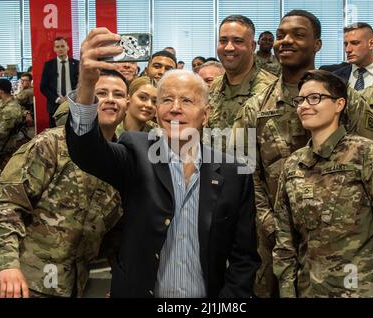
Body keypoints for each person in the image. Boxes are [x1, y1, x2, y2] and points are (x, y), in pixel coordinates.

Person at [65, 27, 260, 298]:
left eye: (187, 100)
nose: (175, 108)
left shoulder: (233, 172)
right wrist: (86, 85)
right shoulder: (136, 151)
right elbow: (86, 151)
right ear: (157, 112)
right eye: (166, 99)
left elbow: (244, 258)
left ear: (206, 114)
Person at [232, 9, 373, 298]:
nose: (285, 41)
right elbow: (245, 171)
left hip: (341, 244)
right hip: (273, 241)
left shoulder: (348, 101)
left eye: (298, 35)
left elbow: (372, 163)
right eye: (280, 35)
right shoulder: (255, 107)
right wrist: (269, 222)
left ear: (317, 44)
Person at [0, 69, 127, 298]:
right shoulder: (52, 145)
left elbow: (114, 234)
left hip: (75, 285)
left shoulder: (122, 162)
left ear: (126, 102)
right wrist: (8, 264)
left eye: (118, 94)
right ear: (86, 99)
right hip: (25, 282)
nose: (110, 100)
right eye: (101, 93)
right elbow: (5, 206)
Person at [273, 69, 373, 298]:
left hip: (360, 289)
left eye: (314, 98)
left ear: (339, 104)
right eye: (300, 100)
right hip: (308, 289)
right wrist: (288, 290)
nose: (304, 106)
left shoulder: (366, 154)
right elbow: (284, 238)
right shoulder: (294, 164)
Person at [209, 15, 277, 132]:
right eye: (223, 41)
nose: (229, 47)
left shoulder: (271, 90)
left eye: (238, 41)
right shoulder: (215, 85)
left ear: (252, 46)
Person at [40, 36, 79, 128]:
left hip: (74, 104)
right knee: (55, 134)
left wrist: (72, 96)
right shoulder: (49, 65)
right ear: (54, 49)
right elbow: (43, 86)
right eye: (57, 47)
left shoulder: (77, 64)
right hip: (54, 106)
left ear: (67, 47)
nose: (60, 49)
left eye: (62, 46)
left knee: (74, 134)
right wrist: (58, 99)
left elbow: (81, 84)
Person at [332, 23, 373, 90]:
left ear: (371, 44)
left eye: (355, 43)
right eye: (346, 44)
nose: (348, 50)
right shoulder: (336, 77)